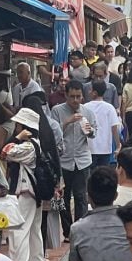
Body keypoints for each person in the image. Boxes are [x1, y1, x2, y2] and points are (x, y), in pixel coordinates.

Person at [2, 107, 48, 261]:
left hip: (25, 191)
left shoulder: (27, 146)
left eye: (18, 125)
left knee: (19, 228)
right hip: (34, 192)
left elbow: (5, 152)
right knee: (34, 229)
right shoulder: (37, 143)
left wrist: (16, 138)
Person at [51, 83, 97, 236]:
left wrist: (90, 131)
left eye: (78, 97)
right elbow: (53, 133)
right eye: (72, 97)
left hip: (82, 160)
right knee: (63, 197)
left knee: (81, 196)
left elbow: (94, 132)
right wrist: (67, 121)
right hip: (64, 160)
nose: (76, 100)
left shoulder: (88, 112)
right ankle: (67, 230)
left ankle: (79, 229)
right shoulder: (57, 111)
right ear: (66, 96)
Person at [84, 79, 122, 167]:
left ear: (94, 92)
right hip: (105, 149)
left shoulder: (85, 107)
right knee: (103, 175)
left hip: (89, 148)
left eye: (91, 89)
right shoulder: (110, 108)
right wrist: (118, 145)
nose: (89, 91)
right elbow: (114, 129)